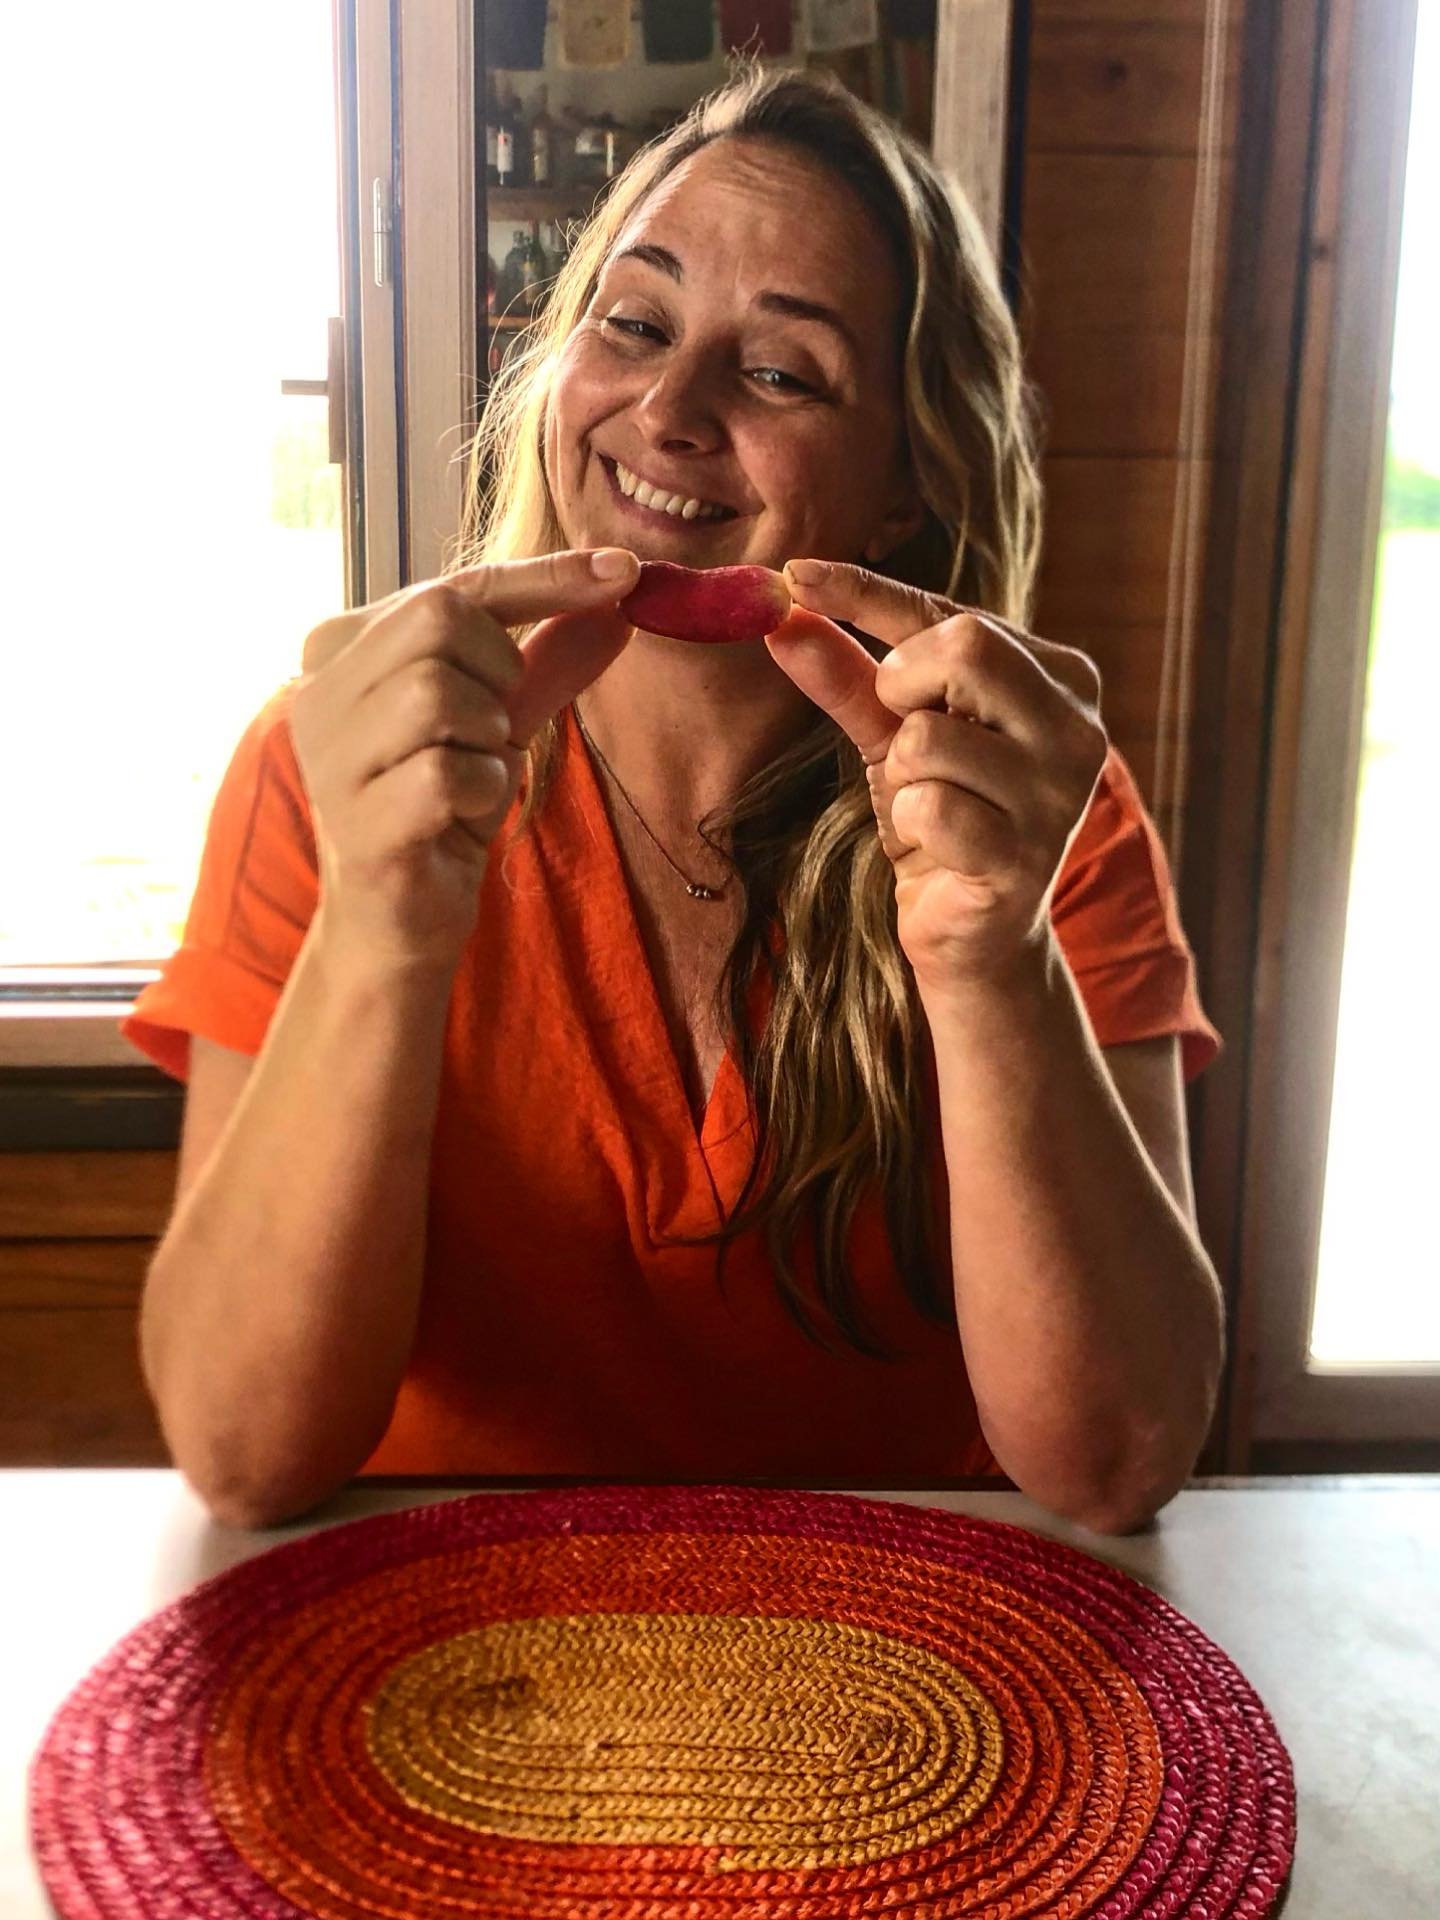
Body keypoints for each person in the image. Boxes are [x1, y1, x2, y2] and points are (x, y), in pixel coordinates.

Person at [125, 68, 1224, 1532]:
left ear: (906, 487)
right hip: (444, 1644)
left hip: (920, 1645)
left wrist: (990, 959)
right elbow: (243, 1450)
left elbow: (1117, 1462)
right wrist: (386, 922)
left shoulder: (1030, 805)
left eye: (780, 373)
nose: (668, 407)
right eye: (634, 325)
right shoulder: (333, 763)